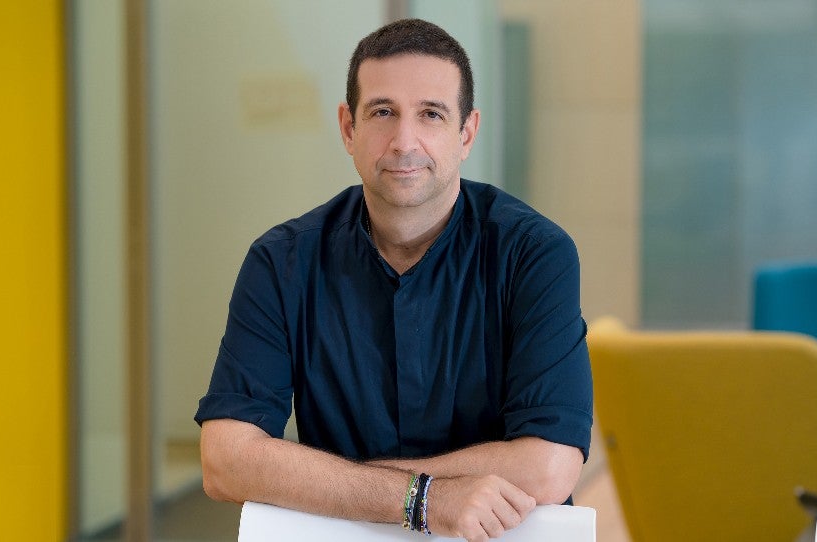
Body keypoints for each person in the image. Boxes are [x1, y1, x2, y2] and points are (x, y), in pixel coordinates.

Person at [194, 18, 592, 542]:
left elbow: (549, 466)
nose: (405, 142)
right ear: (348, 128)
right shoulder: (281, 262)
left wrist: (326, 482)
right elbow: (225, 460)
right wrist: (422, 499)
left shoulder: (535, 254)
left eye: (431, 114)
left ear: (466, 133)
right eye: (383, 112)